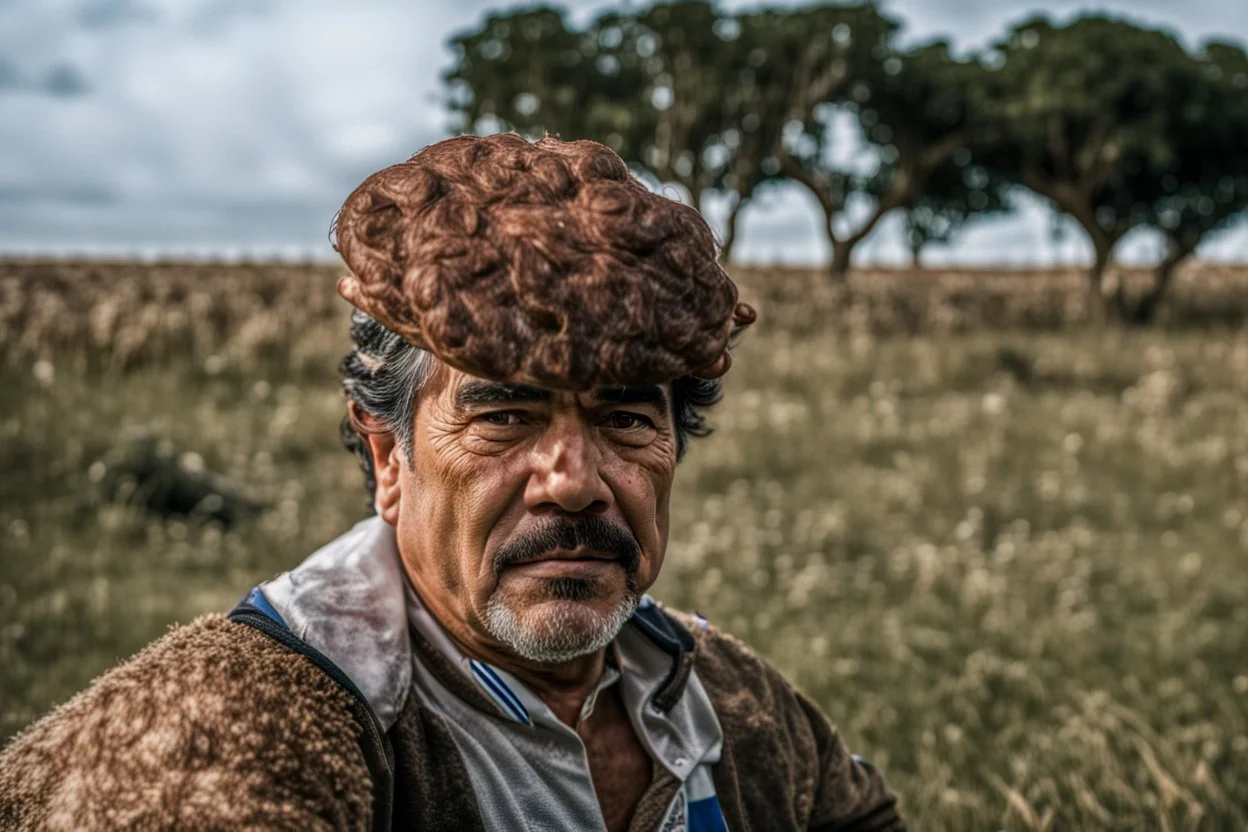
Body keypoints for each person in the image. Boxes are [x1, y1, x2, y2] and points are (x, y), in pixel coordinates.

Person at [0, 133, 904, 831]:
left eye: (626, 417)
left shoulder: (727, 703)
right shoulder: (229, 734)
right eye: (505, 414)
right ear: (389, 457)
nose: (574, 482)